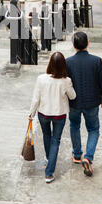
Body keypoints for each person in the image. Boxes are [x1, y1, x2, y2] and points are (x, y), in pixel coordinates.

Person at [66, 32, 102, 177]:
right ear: (88, 43)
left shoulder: (68, 62)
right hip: (92, 102)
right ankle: (88, 157)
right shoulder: (96, 61)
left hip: (74, 102)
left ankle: (77, 155)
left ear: (73, 46)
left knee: (74, 126)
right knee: (93, 129)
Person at [28, 52, 76, 183]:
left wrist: (31, 113)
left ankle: (49, 158)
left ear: (50, 64)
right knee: (56, 140)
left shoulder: (41, 78)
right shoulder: (66, 81)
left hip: (43, 113)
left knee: (46, 135)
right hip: (59, 115)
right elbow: (73, 96)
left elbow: (36, 98)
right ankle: (49, 173)